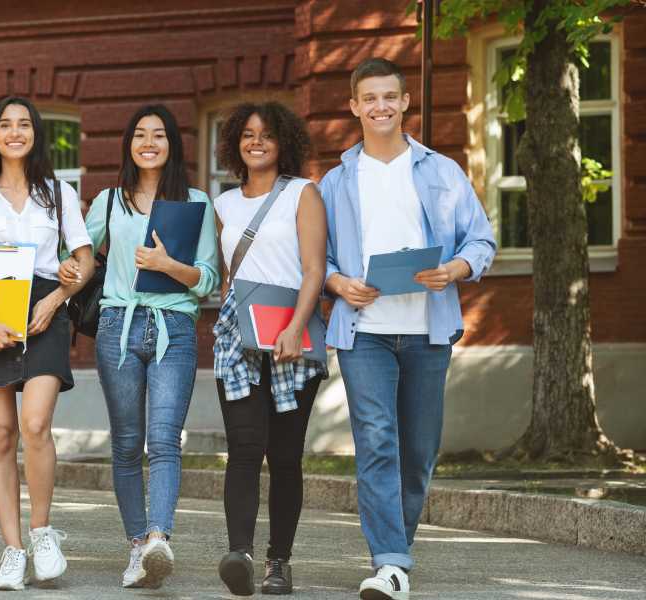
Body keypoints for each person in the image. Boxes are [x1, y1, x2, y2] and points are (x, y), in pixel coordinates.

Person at [319, 58, 496, 600]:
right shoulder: (335, 181)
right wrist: (338, 283)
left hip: (426, 331)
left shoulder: (441, 171)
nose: (380, 107)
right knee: (376, 443)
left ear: (404, 102)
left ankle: (396, 555)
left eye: (389, 97)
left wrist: (454, 270)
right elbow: (316, 259)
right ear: (354, 106)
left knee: (418, 452)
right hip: (364, 332)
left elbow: (481, 241)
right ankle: (391, 562)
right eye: (369, 98)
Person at [58, 105, 219, 589]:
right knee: (127, 443)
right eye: (140, 135)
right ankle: (136, 548)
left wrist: (169, 265)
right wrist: (69, 268)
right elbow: (80, 256)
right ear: (129, 144)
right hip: (117, 328)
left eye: (160, 135)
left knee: (165, 439)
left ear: (173, 144)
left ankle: (158, 539)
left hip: (175, 327)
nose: (149, 142)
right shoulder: (109, 201)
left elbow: (208, 279)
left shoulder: (196, 203)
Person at [0, 96, 94, 591]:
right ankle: (12, 551)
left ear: (36, 133)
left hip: (44, 311)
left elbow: (83, 260)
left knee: (35, 423)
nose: (15, 132)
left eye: (24, 124)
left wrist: (58, 299)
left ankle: (42, 533)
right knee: (1, 434)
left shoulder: (59, 192)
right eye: (5, 125)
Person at [211, 101, 328, 596]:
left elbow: (314, 269)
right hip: (238, 338)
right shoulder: (223, 204)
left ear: (285, 143)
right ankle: (239, 553)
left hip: (291, 338)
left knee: (284, 457)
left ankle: (278, 562)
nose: (256, 142)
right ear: (236, 143)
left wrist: (295, 326)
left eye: (267, 135)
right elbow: (225, 275)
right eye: (248, 135)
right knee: (242, 448)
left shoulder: (303, 193)